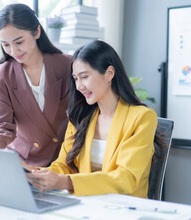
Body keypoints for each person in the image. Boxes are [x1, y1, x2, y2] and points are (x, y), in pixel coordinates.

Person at [25, 40, 158, 198]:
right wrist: (32, 172)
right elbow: (64, 166)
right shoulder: (80, 118)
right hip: (86, 204)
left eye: (84, 77)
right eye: (75, 79)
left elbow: (126, 178)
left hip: (123, 208)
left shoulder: (142, 117)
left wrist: (66, 182)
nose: (79, 86)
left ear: (109, 73)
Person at [0, 3, 72, 167]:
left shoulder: (67, 65)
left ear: (36, 32)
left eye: (19, 42)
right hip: (23, 163)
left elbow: (83, 116)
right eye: (6, 45)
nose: (14, 51)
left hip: (64, 160)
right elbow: (2, 127)